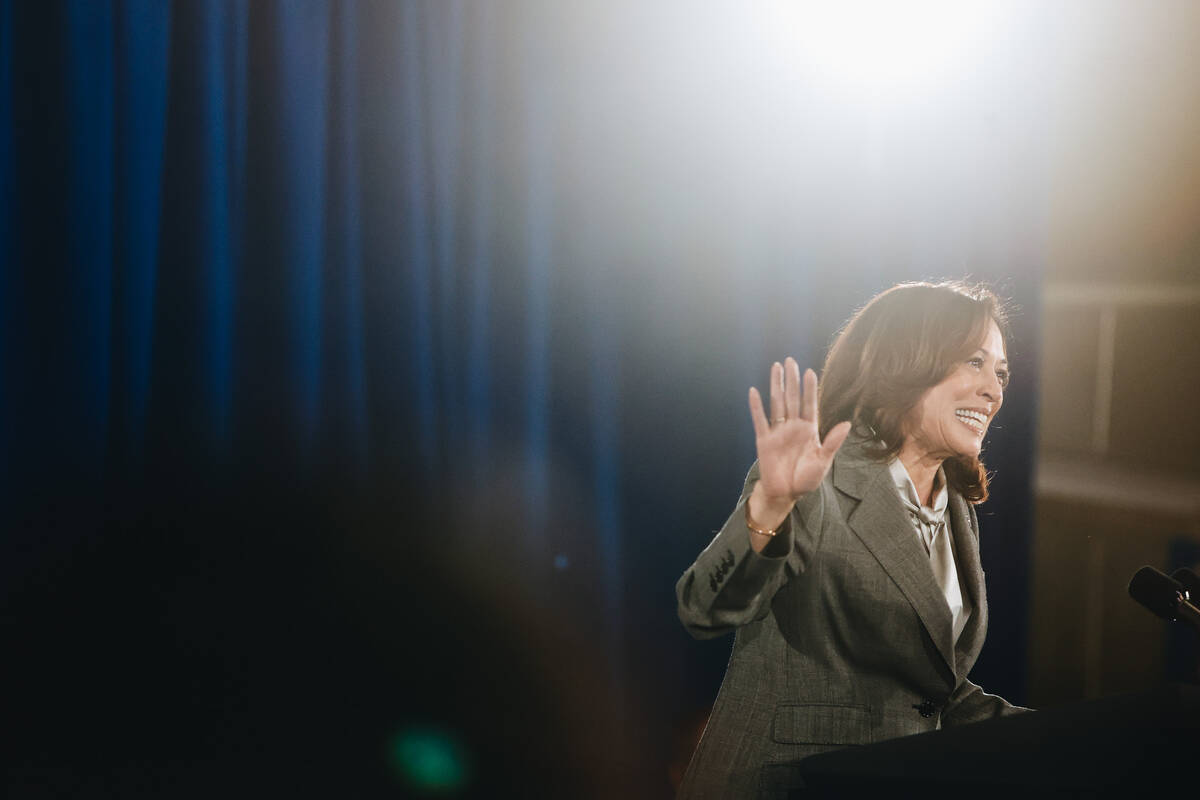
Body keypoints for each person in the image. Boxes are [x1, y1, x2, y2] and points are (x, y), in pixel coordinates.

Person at [675, 281, 1029, 798]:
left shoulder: (956, 509)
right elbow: (704, 609)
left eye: (1000, 372)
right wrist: (771, 504)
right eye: (974, 362)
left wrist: (1076, 737)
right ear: (905, 362)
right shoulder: (817, 477)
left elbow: (932, 697)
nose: (993, 390)